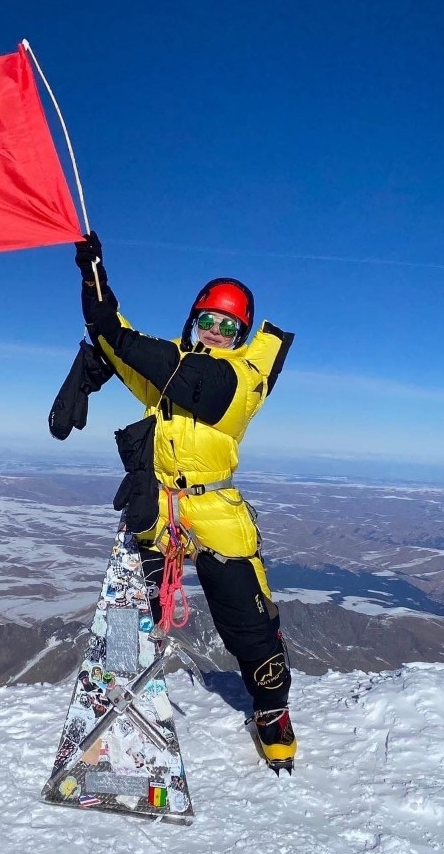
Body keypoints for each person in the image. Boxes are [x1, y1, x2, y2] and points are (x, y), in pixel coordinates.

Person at [74, 230, 297, 769]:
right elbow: (117, 339)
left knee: (249, 623)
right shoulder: (170, 371)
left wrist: (119, 340)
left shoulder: (241, 378)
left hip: (216, 512)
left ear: (242, 335)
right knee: (129, 613)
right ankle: (122, 700)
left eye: (229, 326)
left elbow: (183, 373)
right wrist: (93, 276)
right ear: (193, 322)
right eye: (208, 321)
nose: (216, 332)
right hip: (160, 507)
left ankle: (272, 711)